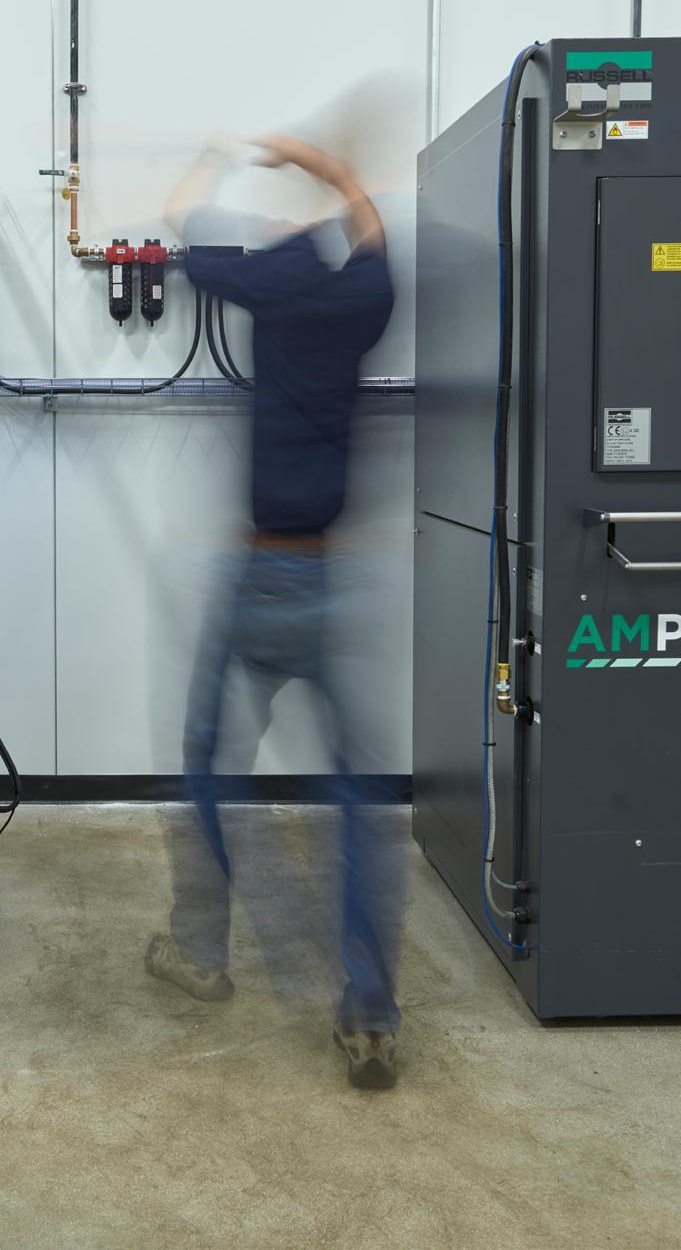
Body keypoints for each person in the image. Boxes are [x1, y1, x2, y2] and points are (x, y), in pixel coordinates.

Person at [144, 134, 403, 1089]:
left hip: (260, 578)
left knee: (208, 765)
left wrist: (213, 156)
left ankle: (200, 956)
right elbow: (370, 234)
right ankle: (368, 1011)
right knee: (357, 800)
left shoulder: (268, 290)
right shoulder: (358, 299)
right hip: (328, 579)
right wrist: (328, 169)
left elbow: (178, 219)